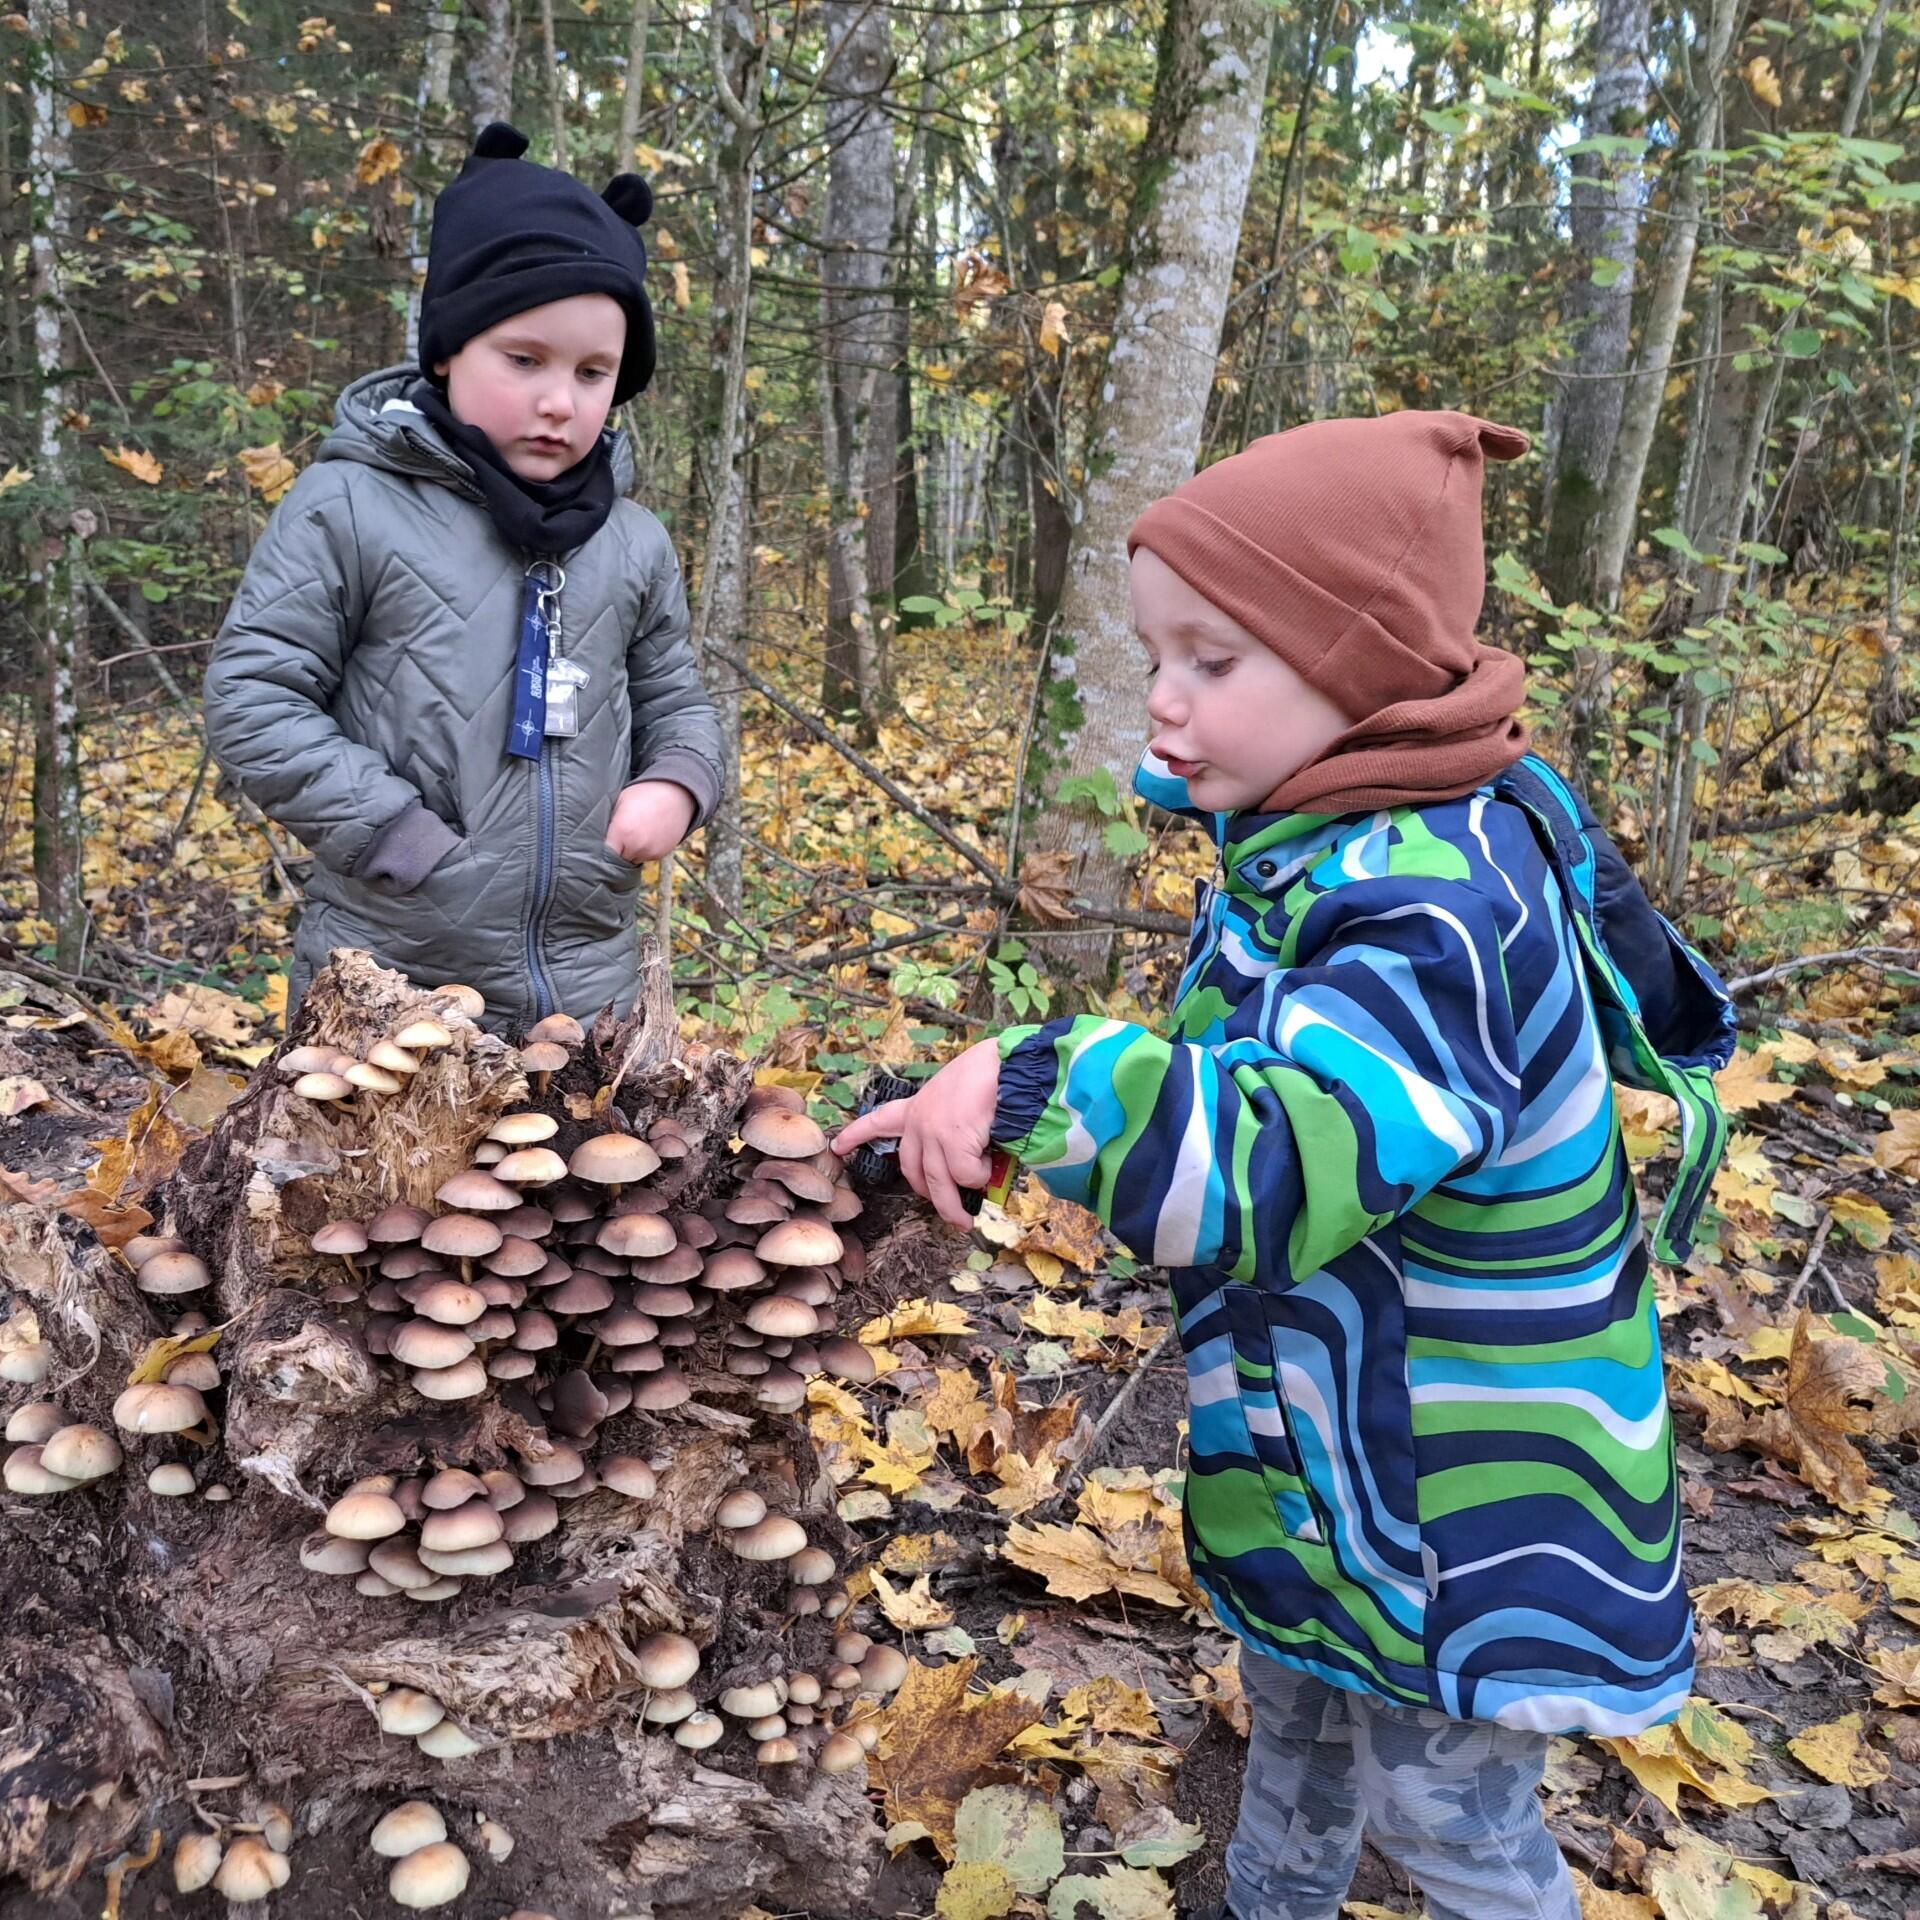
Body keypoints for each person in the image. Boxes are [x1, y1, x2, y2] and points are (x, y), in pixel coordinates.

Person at [834, 412, 1736, 1920]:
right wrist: (1037, 1114)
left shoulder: (1437, 900)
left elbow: (1283, 1163)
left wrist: (1049, 1080)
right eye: (1156, 658)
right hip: (1335, 1461)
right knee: (1304, 1715)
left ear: (1363, 669)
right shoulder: (1320, 844)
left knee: (1449, 1819)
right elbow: (1250, 1074)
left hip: (1466, 1490)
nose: (1163, 705)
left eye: (1215, 662)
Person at [204, 122, 722, 1031]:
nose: (560, 400)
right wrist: (397, 834)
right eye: (524, 360)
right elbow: (253, 698)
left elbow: (678, 700)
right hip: (387, 982)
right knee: (372, 1175)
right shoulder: (351, 505)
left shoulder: (632, 541)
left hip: (589, 991)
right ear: (447, 348)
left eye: (594, 372)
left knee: (592, 1175)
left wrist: (677, 781)